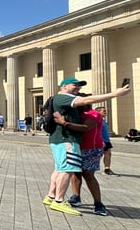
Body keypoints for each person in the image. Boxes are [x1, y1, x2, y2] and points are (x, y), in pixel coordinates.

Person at [43, 77, 130, 215]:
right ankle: (59, 201)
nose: (78, 88)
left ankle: (51, 196)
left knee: (59, 169)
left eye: (79, 86)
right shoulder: (64, 97)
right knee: (67, 169)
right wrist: (115, 94)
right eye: (75, 85)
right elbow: (85, 101)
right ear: (64, 86)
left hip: (60, 139)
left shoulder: (59, 99)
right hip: (67, 139)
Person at [53, 97, 108, 215]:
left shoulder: (94, 114)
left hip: (91, 148)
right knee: (75, 172)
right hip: (78, 146)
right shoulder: (78, 114)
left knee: (88, 174)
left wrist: (65, 123)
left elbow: (85, 128)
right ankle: (76, 196)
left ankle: (98, 203)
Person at [95, 106, 114, 175]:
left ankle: (107, 169)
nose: (106, 112)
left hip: (106, 140)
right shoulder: (97, 121)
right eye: (104, 111)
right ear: (98, 112)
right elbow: (97, 131)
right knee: (98, 155)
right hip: (101, 140)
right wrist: (101, 141)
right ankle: (90, 167)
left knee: (108, 154)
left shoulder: (103, 121)